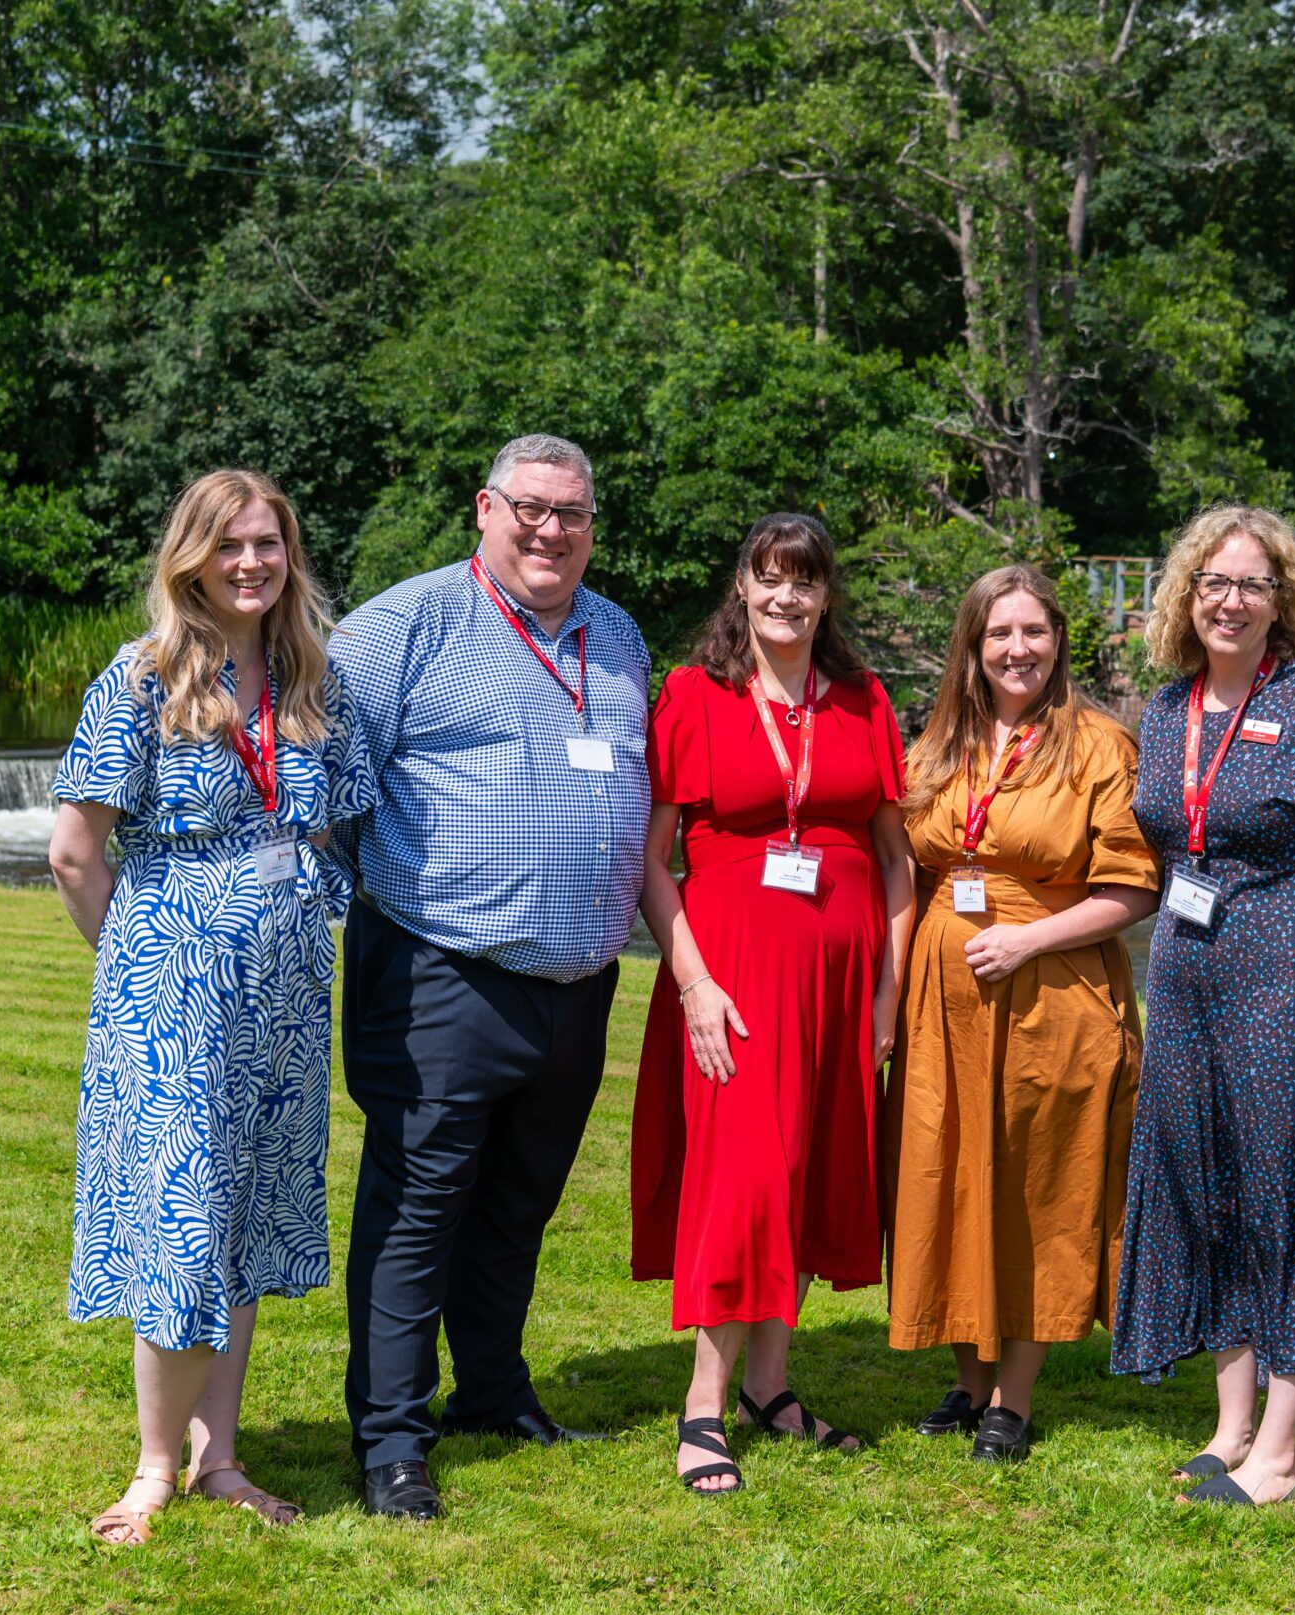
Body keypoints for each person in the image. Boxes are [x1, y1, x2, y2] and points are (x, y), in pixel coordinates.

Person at [325, 434, 651, 1522]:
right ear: (484, 507)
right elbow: (324, 784)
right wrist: (384, 896)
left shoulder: (618, 636)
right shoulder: (400, 627)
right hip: (439, 970)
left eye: (572, 512)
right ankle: (390, 1441)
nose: (551, 529)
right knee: (418, 1209)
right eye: (531, 507)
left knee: (517, 1209)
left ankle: (495, 1393)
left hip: (576, 980)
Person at [50, 468, 375, 1545]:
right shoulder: (139, 680)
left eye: (268, 544)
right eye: (229, 544)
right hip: (174, 990)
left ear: (291, 557)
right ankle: (153, 1467)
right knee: (184, 1223)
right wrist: (145, 966)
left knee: (247, 1221)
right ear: (190, 557)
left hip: (283, 989)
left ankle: (220, 1456)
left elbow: (340, 826)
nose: (250, 563)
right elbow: (74, 852)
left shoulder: (309, 677)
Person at [1109, 504, 1295, 1509]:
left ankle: (1281, 1447)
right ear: (1184, 596)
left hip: (1289, 970)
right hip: (1186, 975)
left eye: (1249, 583)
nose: (1228, 600)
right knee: (1209, 1187)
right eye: (1211, 582)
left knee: (1289, 1193)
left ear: (1281, 597)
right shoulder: (1165, 709)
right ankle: (1230, 1421)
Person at [629, 513, 916, 1496]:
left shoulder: (864, 699)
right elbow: (651, 861)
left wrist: (887, 991)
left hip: (840, 981)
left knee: (801, 1173)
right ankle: (702, 1405)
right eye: (769, 577)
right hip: (734, 977)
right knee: (743, 1182)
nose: (787, 596)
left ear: (826, 594)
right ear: (742, 587)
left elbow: (896, 861)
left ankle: (770, 1386)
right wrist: (692, 980)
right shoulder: (691, 693)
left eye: (805, 580)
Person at [881, 565, 1159, 1463]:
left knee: (1043, 1181)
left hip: (1053, 993)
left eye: (1033, 631)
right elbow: (907, 867)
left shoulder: (1098, 746)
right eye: (999, 633)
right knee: (952, 1169)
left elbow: (1132, 886)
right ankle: (967, 1374)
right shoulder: (936, 744)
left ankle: (1015, 1394)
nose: (1016, 649)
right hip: (945, 999)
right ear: (972, 643)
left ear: (1058, 642)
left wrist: (1028, 943)